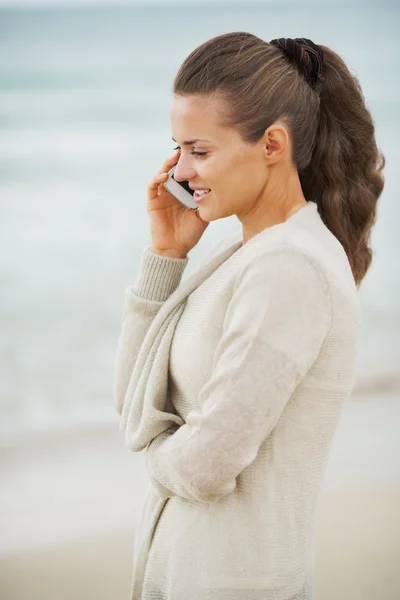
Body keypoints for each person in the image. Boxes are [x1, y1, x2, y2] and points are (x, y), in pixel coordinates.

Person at [113, 33, 385, 600]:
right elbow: (135, 403)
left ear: (272, 145)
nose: (180, 172)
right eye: (178, 148)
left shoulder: (290, 267)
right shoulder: (252, 253)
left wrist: (156, 453)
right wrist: (166, 256)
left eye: (200, 150)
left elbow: (208, 463)